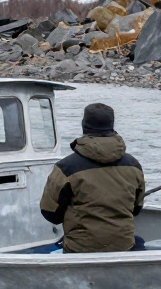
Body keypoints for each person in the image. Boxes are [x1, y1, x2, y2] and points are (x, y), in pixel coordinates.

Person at [39, 103, 146, 253]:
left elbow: (50, 213)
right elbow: (136, 208)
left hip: (80, 249)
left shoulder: (65, 168)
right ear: (112, 126)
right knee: (139, 241)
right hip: (123, 246)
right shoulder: (134, 165)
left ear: (84, 126)